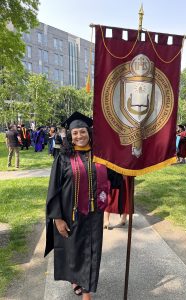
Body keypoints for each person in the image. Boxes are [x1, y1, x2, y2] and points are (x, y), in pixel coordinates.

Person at [45, 112, 123, 300]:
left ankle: (86, 292)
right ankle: (76, 279)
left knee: (91, 251)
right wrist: (57, 218)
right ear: (70, 136)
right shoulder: (63, 158)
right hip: (70, 213)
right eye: (75, 133)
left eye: (82, 132)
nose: (79, 136)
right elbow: (53, 189)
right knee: (74, 251)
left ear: (89, 132)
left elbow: (116, 178)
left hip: (94, 214)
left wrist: (128, 166)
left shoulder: (101, 156)